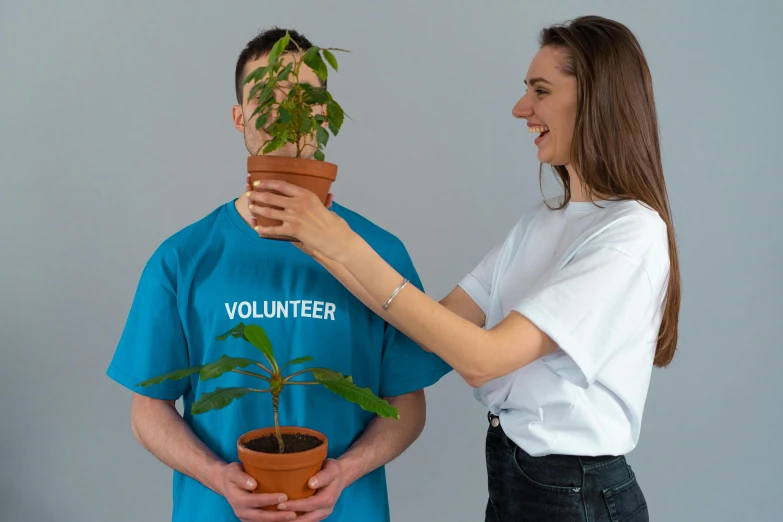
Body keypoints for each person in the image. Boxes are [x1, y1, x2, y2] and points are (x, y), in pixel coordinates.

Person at [246, 15, 679, 522]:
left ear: (597, 99)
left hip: (575, 493)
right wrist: (315, 241)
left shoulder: (631, 233)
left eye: (541, 91)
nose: (522, 109)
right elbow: (434, 327)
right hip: (517, 479)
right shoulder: (540, 223)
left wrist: (341, 240)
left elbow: (483, 358)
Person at [106, 27, 451, 522]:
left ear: (324, 114)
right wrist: (218, 477)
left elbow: (407, 404)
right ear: (238, 116)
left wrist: (347, 470)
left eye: (306, 97)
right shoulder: (181, 258)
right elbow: (148, 410)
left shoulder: (380, 255)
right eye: (265, 96)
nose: (286, 112)